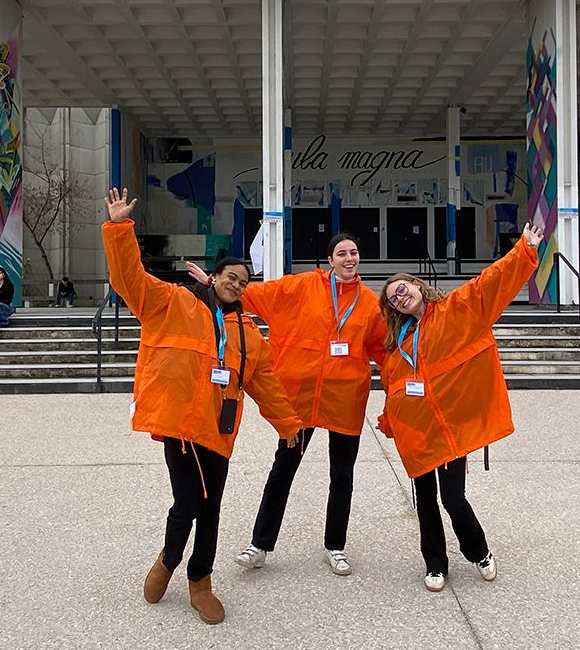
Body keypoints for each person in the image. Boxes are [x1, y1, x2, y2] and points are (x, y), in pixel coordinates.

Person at [102, 187, 303, 626]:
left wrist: (288, 424)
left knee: (211, 507)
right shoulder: (174, 303)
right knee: (188, 503)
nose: (237, 285)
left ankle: (201, 582)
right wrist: (119, 228)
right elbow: (129, 280)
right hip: (181, 426)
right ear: (214, 278)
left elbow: (266, 384)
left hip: (219, 432)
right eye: (231, 277)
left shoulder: (248, 333)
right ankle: (169, 559)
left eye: (245, 282)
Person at [189, 232, 388, 577]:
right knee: (283, 470)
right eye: (341, 253)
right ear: (330, 260)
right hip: (299, 398)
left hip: (345, 399)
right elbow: (255, 294)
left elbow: (383, 350)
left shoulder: (370, 302)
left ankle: (335, 546)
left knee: (342, 475)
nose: (349, 258)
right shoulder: (302, 287)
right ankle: (260, 544)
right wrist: (214, 282)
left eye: (353, 252)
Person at [376, 222, 543, 593]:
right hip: (418, 433)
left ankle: (479, 550)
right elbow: (395, 387)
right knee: (425, 501)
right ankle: (435, 562)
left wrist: (524, 250)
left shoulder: (457, 310)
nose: (399, 298)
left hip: (449, 428)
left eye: (401, 290)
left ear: (417, 286)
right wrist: (391, 422)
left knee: (453, 498)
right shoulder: (398, 341)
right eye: (392, 299)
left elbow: (490, 283)